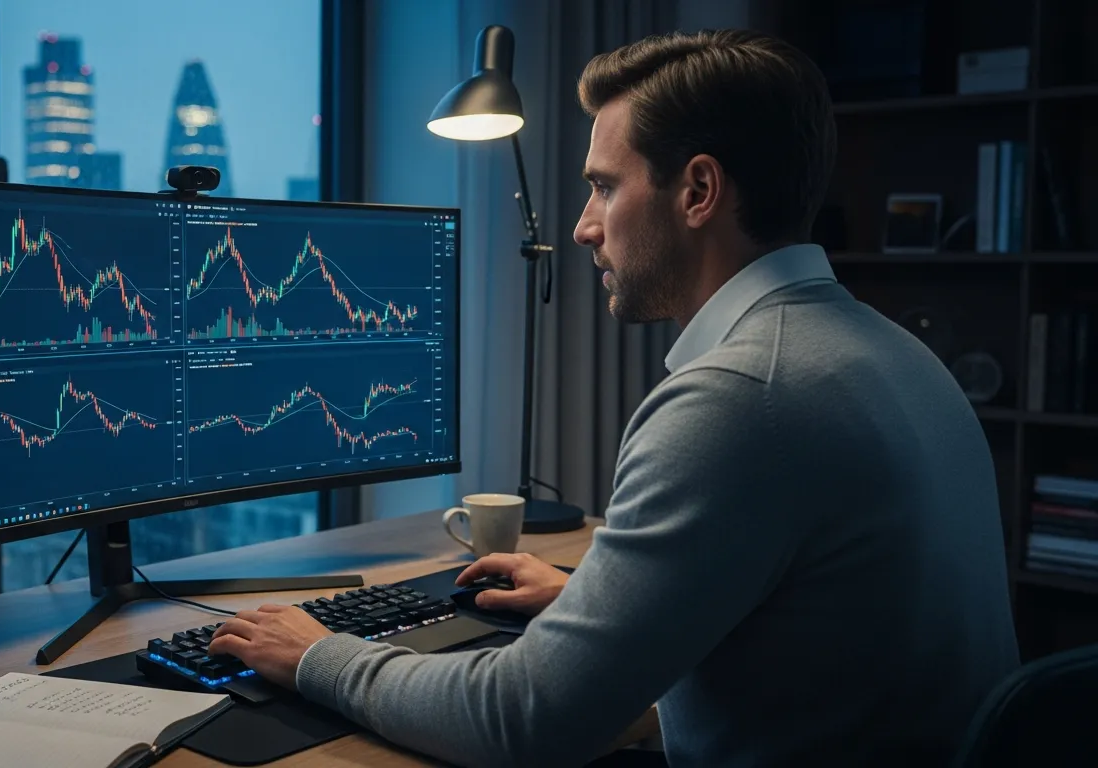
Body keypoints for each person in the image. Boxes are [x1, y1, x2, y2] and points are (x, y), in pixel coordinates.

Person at [209, 29, 1019, 767]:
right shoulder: (891, 351)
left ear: (698, 191)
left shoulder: (738, 398)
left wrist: (316, 654)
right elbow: (812, 616)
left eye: (603, 187)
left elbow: (522, 721)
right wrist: (590, 601)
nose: (583, 226)